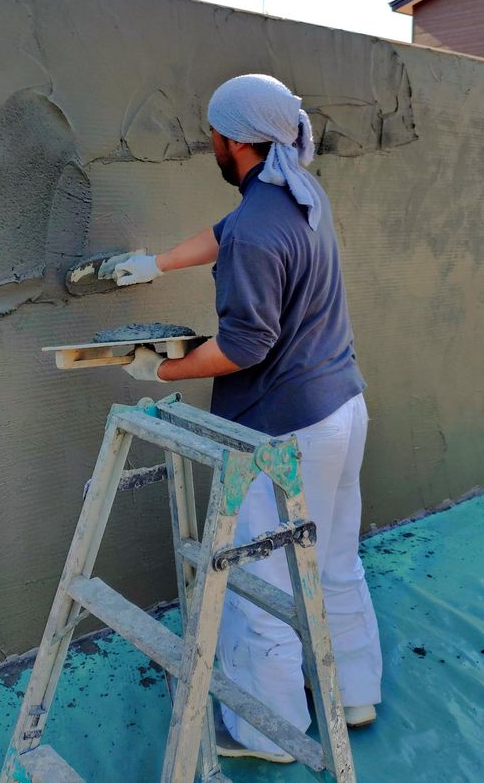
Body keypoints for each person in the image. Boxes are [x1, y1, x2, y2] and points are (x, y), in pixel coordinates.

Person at [102, 73, 382, 763]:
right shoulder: (298, 193)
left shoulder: (260, 226)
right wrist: (156, 263)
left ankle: (268, 731)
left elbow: (244, 346)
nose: (211, 145)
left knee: (264, 580)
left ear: (233, 139)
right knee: (334, 557)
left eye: (214, 134)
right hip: (342, 407)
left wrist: (159, 370)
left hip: (288, 428)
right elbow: (226, 234)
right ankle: (353, 693)